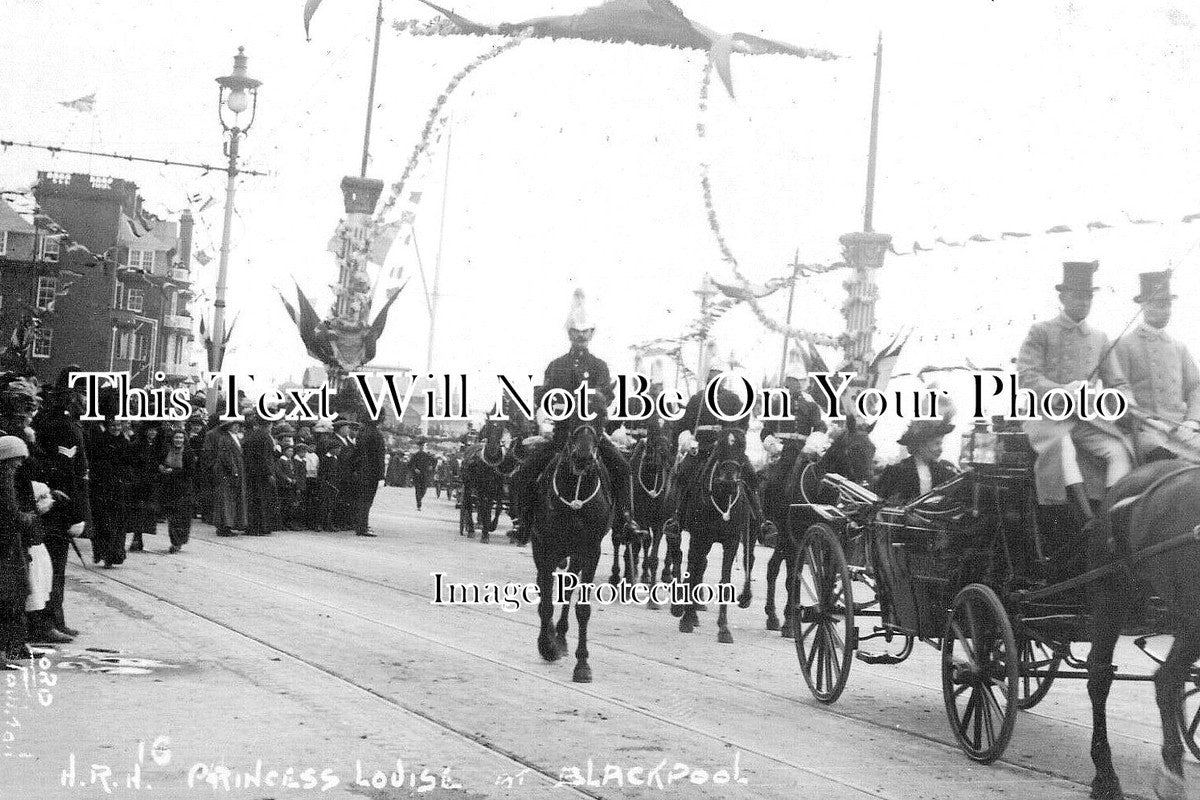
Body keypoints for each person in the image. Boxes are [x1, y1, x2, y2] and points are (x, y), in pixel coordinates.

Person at [1017, 261, 1135, 530]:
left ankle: (1109, 518)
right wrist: (1060, 391)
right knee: (1063, 446)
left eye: (1088, 297)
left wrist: (1122, 401)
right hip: (1047, 418)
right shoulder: (1041, 331)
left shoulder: (1100, 337)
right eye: (1078, 296)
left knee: (1118, 450)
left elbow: (1118, 383)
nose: (1084, 302)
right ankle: (1086, 519)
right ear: (1063, 297)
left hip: (1085, 419)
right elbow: (1027, 375)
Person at [509, 289, 633, 544]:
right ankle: (524, 521)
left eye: (585, 332)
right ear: (570, 334)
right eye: (576, 332)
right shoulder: (556, 365)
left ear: (592, 334)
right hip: (562, 434)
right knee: (525, 471)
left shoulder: (600, 366)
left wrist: (596, 400)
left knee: (623, 467)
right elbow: (543, 397)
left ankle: (624, 520)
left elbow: (607, 397)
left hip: (593, 435)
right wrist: (545, 419)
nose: (580, 336)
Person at [664, 345, 765, 535]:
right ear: (707, 376)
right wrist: (688, 440)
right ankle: (675, 518)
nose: (715, 377)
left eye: (719, 374)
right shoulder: (697, 399)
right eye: (712, 374)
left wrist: (734, 441)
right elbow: (683, 426)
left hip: (726, 452)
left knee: (751, 476)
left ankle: (761, 522)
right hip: (701, 449)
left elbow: (743, 423)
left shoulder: (734, 400)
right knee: (683, 474)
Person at [1113, 270, 1200, 462]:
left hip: (1181, 430)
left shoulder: (1179, 347)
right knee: (1165, 458)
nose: (1166, 310)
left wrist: (1192, 420)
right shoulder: (1124, 345)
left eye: (1168, 304)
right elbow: (1119, 391)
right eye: (1160, 304)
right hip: (1144, 432)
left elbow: (1195, 387)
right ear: (1144, 305)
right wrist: (1144, 419)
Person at [33, 369, 90, 638]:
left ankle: (53, 619)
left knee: (49, 566)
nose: (87, 399)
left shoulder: (52, 418)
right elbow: (67, 474)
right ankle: (48, 623)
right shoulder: (64, 424)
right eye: (84, 392)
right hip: (57, 507)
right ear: (73, 395)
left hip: (48, 502)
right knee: (53, 566)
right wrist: (75, 514)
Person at [760, 345, 827, 490]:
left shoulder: (811, 405)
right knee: (773, 484)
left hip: (804, 451)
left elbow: (820, 426)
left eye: (800, 381)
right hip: (783, 451)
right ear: (787, 382)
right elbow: (766, 430)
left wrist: (813, 443)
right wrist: (773, 445)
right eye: (793, 380)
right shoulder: (777, 403)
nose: (797, 384)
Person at [0, 434, 35, 666]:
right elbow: (10, 515)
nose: (19, 465)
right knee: (9, 597)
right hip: (6, 548)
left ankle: (9, 650)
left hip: (8, 546)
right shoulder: (4, 483)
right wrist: (29, 518)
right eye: (16, 460)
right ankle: (5, 652)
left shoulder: (6, 480)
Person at [874, 419, 960, 504]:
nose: (941, 449)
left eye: (941, 444)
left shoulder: (943, 471)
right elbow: (881, 505)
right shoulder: (895, 472)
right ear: (921, 445)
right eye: (936, 444)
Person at [242, 412, 280, 536]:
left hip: (251, 472)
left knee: (253, 500)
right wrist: (269, 473)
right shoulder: (266, 437)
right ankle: (263, 526)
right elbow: (266, 457)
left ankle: (253, 526)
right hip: (263, 473)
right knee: (263, 500)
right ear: (269, 424)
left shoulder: (251, 435)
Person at [129, 423, 164, 552]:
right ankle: (137, 538)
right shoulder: (137, 445)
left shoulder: (159, 446)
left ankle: (139, 538)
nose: (153, 433)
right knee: (139, 510)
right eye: (150, 430)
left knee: (148, 511)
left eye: (155, 430)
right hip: (139, 482)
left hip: (153, 482)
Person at [159, 428, 195, 553]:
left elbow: (190, 471)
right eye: (176, 437)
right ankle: (174, 541)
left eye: (180, 438)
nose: (178, 440)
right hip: (170, 488)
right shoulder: (166, 451)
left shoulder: (188, 453)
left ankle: (180, 540)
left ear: (184, 439)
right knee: (172, 517)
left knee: (183, 517)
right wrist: (162, 468)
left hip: (184, 489)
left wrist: (173, 472)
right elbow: (160, 463)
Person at [350, 416, 385, 536]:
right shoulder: (377, 435)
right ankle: (362, 527)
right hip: (372, 473)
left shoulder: (362, 433)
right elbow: (379, 457)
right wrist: (381, 476)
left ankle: (360, 525)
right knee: (367, 501)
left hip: (361, 471)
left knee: (361, 500)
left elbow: (356, 453)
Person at [211, 419, 247, 537]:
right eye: (234, 425)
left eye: (238, 425)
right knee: (226, 498)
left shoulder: (237, 437)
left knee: (232, 498)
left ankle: (230, 524)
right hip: (227, 472)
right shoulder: (225, 438)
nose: (236, 427)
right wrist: (234, 470)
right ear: (228, 426)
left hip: (236, 469)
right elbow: (226, 456)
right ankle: (224, 526)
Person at [408, 439, 437, 510]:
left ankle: (420, 498)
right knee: (418, 489)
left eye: (423, 446)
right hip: (417, 475)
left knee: (424, 489)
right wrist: (415, 469)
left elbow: (435, 461)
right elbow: (410, 464)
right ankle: (419, 504)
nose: (421, 447)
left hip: (425, 474)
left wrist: (432, 466)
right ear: (418, 447)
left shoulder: (427, 455)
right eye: (420, 446)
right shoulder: (415, 455)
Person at [297, 439, 319, 529]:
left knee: (312, 500)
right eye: (311, 446)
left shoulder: (316, 456)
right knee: (305, 499)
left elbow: (317, 466)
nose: (313, 448)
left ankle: (311, 522)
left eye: (314, 446)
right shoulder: (304, 456)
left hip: (313, 478)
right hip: (306, 478)